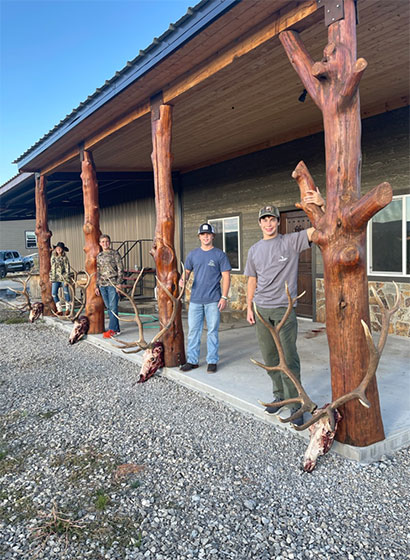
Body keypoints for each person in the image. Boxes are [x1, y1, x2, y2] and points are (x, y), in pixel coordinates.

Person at [245, 190, 324, 424]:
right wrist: (249, 307)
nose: (268, 223)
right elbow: (252, 279)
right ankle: (278, 397)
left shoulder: (291, 241)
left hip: (284, 310)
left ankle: (296, 404)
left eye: (272, 219)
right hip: (261, 310)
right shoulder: (254, 250)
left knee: (289, 358)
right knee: (270, 357)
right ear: (260, 223)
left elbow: (324, 227)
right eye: (264, 219)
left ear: (278, 222)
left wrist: (321, 205)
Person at [179, 223, 231, 373]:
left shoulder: (220, 255)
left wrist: (224, 297)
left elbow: (226, 277)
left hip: (213, 300)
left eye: (208, 234)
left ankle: (212, 360)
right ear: (199, 237)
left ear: (213, 236)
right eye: (203, 234)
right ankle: (192, 361)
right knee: (193, 331)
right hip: (195, 300)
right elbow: (186, 272)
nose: (206, 236)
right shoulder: (193, 255)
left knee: (212, 331)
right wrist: (183, 279)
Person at [95, 234, 124, 338]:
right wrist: (97, 286)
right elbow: (98, 271)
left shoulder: (115, 254)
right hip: (103, 285)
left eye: (106, 241)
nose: (105, 243)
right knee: (108, 307)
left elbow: (120, 269)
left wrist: (119, 283)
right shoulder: (99, 256)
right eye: (103, 242)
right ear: (100, 243)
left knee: (113, 307)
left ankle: (112, 329)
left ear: (109, 242)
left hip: (113, 284)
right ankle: (116, 329)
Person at [50, 242, 72, 316]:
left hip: (63, 278)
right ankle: (59, 309)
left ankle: (68, 309)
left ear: (62, 250)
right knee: (53, 293)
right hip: (55, 278)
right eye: (57, 248)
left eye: (60, 248)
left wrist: (66, 279)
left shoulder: (65, 258)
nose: (58, 249)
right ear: (56, 249)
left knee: (66, 292)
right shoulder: (53, 257)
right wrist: (51, 276)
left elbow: (67, 269)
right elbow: (52, 268)